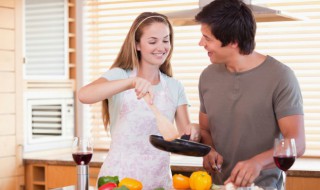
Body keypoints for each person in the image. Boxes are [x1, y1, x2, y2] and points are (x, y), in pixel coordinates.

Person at [78, 12, 200, 189]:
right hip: (119, 180)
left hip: (159, 181)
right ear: (137, 44)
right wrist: (130, 82)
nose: (161, 47)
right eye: (152, 41)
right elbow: (84, 95)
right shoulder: (120, 75)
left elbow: (183, 137)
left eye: (166, 40)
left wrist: (194, 130)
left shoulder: (175, 86)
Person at [194, 0, 305, 189]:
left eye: (208, 38)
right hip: (218, 185)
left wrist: (257, 162)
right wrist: (209, 150)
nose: (201, 43)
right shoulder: (207, 76)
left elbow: (297, 142)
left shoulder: (280, 77)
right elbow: (205, 130)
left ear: (234, 41)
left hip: (263, 186)